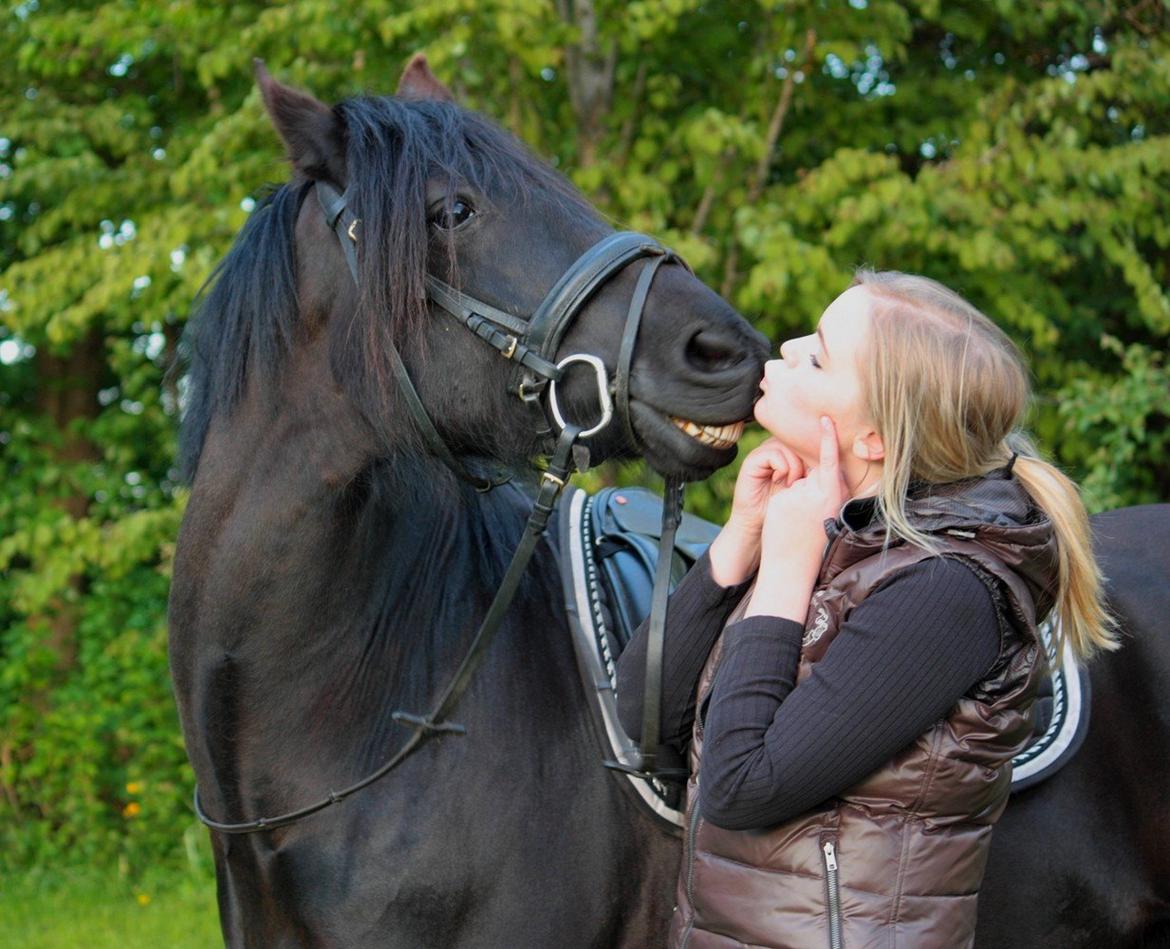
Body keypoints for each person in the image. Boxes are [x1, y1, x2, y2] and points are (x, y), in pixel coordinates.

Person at [616, 270, 1117, 949]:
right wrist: (742, 539)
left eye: (818, 353)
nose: (786, 348)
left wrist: (786, 572)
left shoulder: (947, 591)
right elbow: (643, 722)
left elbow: (740, 789)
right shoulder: (834, 534)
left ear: (875, 437)